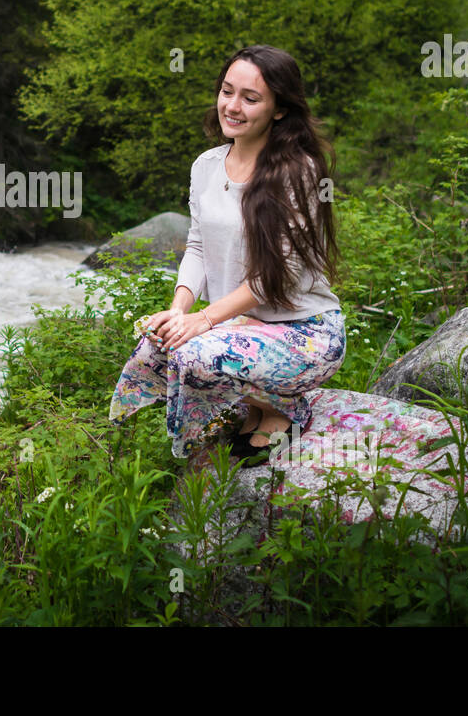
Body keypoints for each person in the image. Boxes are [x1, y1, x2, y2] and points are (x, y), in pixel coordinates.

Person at [108, 45, 346, 473]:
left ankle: (284, 408)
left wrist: (205, 320)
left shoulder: (299, 172)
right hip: (244, 325)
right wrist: (179, 310)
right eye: (226, 91)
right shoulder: (207, 166)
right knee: (157, 344)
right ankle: (256, 404)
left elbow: (279, 275)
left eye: (250, 98)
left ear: (278, 109)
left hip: (303, 333)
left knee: (192, 355)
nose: (232, 107)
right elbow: (196, 245)